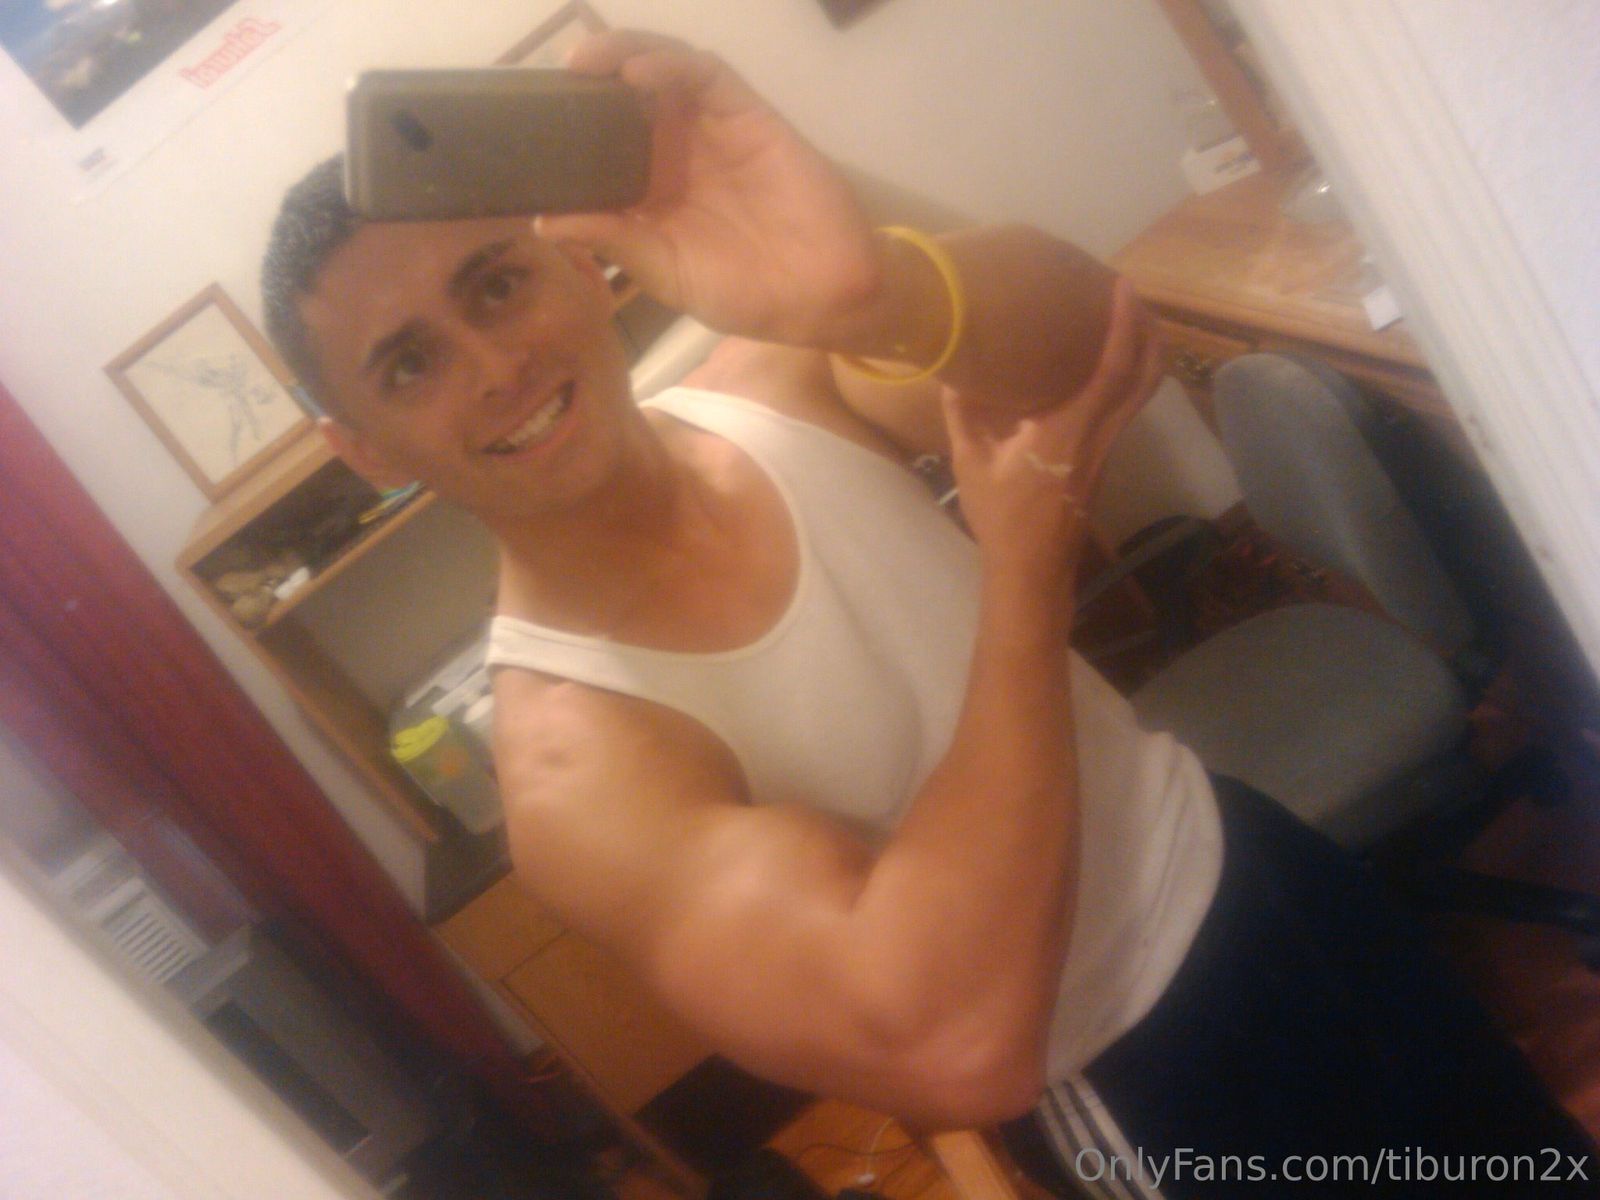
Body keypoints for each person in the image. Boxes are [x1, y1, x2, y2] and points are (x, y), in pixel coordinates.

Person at [261, 31, 1595, 1198]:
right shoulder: (579, 770)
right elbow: (957, 1042)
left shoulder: (768, 379)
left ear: (570, 259)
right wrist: (1023, 577)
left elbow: (1095, 335)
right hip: (1142, 1071)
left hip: (1250, 858)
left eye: (495, 284)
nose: (497, 365)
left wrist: (876, 291)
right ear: (363, 449)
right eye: (410, 363)